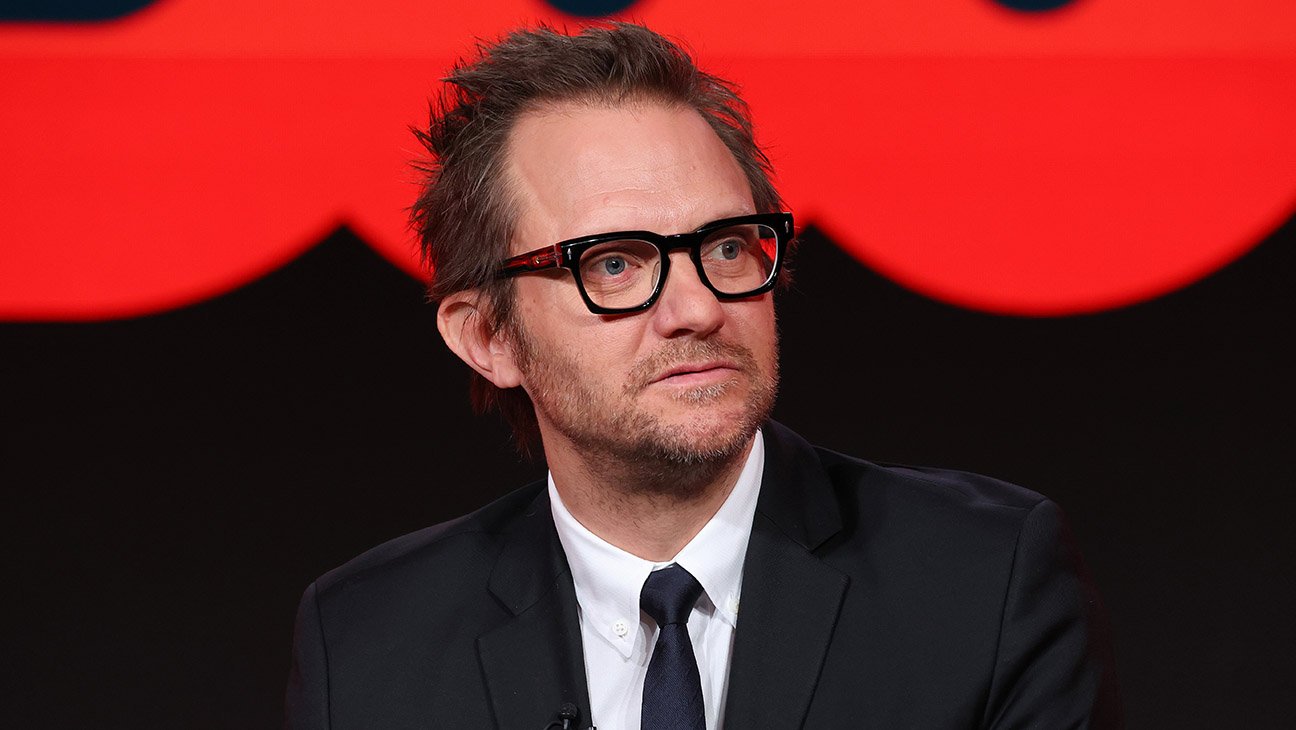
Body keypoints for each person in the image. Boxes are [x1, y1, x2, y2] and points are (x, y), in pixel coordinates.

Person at [284, 23, 1121, 730]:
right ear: (487, 336)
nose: (697, 308)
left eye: (725, 247)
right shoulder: (364, 642)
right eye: (613, 263)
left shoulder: (984, 580)